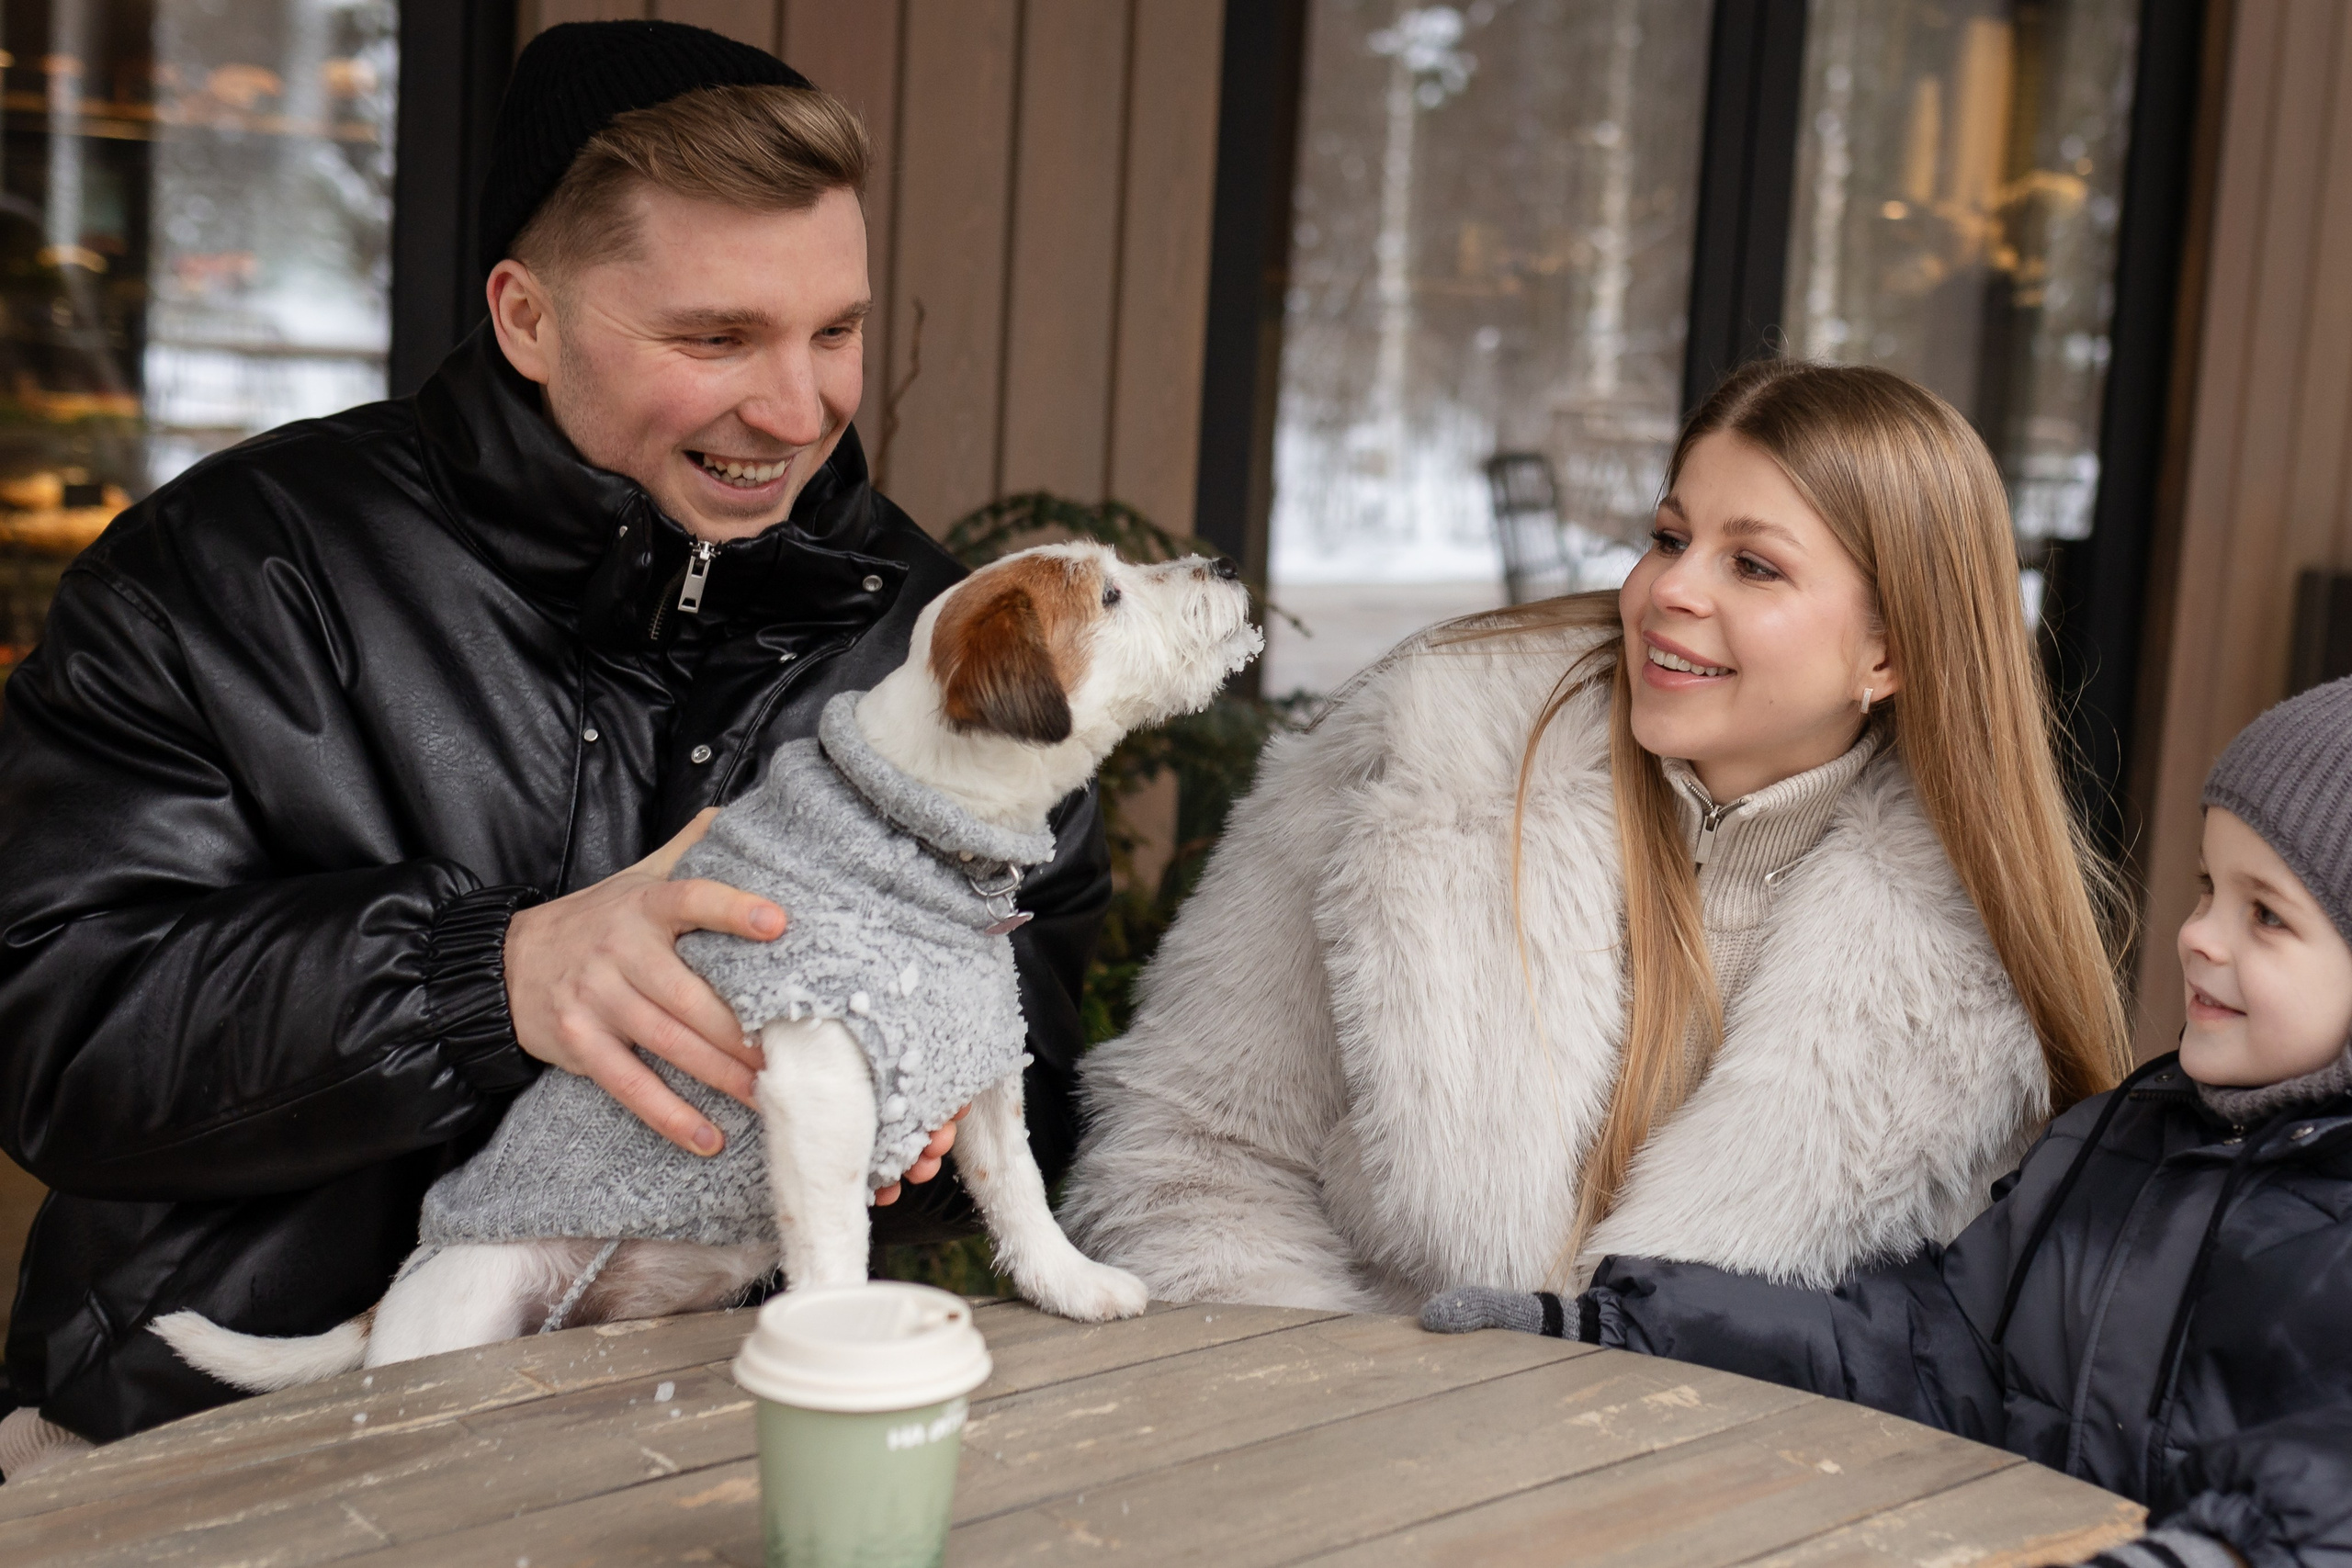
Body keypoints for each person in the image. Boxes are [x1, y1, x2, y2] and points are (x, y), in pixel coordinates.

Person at [0, 22, 1108, 1470]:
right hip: (216, 1443)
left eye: (832, 330)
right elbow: (54, 1022)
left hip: (706, 1458)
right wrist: (479, 976)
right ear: (528, 318)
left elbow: (1042, 1006)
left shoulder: (928, 629)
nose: (796, 411)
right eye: (715, 337)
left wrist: (916, 1083)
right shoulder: (231, 568)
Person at [1061, 358, 2130, 1312]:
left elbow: (1949, 1356)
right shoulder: (1426, 760)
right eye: (1669, 538)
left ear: (1888, 655)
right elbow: (1187, 1148)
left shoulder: (1979, 972)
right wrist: (1342, 1429)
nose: (1669, 588)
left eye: (1751, 566)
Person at [1436, 677, 2352, 1568]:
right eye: (2207, 889)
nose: (2197, 934)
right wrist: (1620, 1326)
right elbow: (1930, 1354)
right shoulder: (2119, 1143)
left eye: (2265, 915)